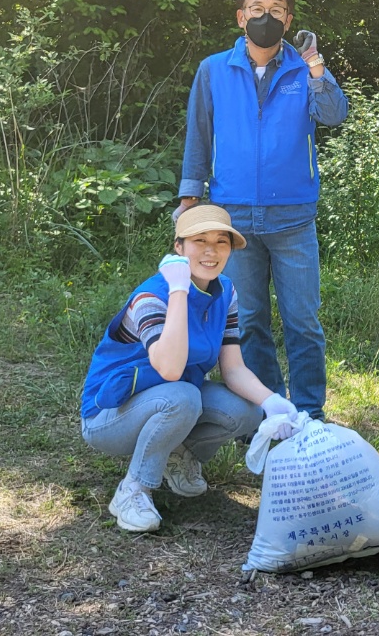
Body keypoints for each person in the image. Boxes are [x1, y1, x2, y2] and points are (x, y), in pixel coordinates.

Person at [177, 0, 349, 421]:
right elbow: (199, 136)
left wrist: (316, 68)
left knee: (303, 323)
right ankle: (272, 411)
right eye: (257, 10)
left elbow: (334, 115)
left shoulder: (302, 68)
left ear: (289, 19)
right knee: (248, 321)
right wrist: (190, 197)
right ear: (240, 17)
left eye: (276, 11)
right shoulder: (214, 69)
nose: (265, 18)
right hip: (232, 222)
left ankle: (309, 413)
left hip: (293, 217)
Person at [80, 205, 298, 532]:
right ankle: (133, 490)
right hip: (109, 415)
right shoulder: (151, 296)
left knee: (247, 411)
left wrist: (272, 403)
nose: (211, 251)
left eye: (221, 242)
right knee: (183, 396)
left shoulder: (226, 293)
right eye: (200, 240)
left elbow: (234, 369)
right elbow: (169, 367)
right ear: (179, 247)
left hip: (173, 399)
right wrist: (179, 289)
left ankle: (179, 457)